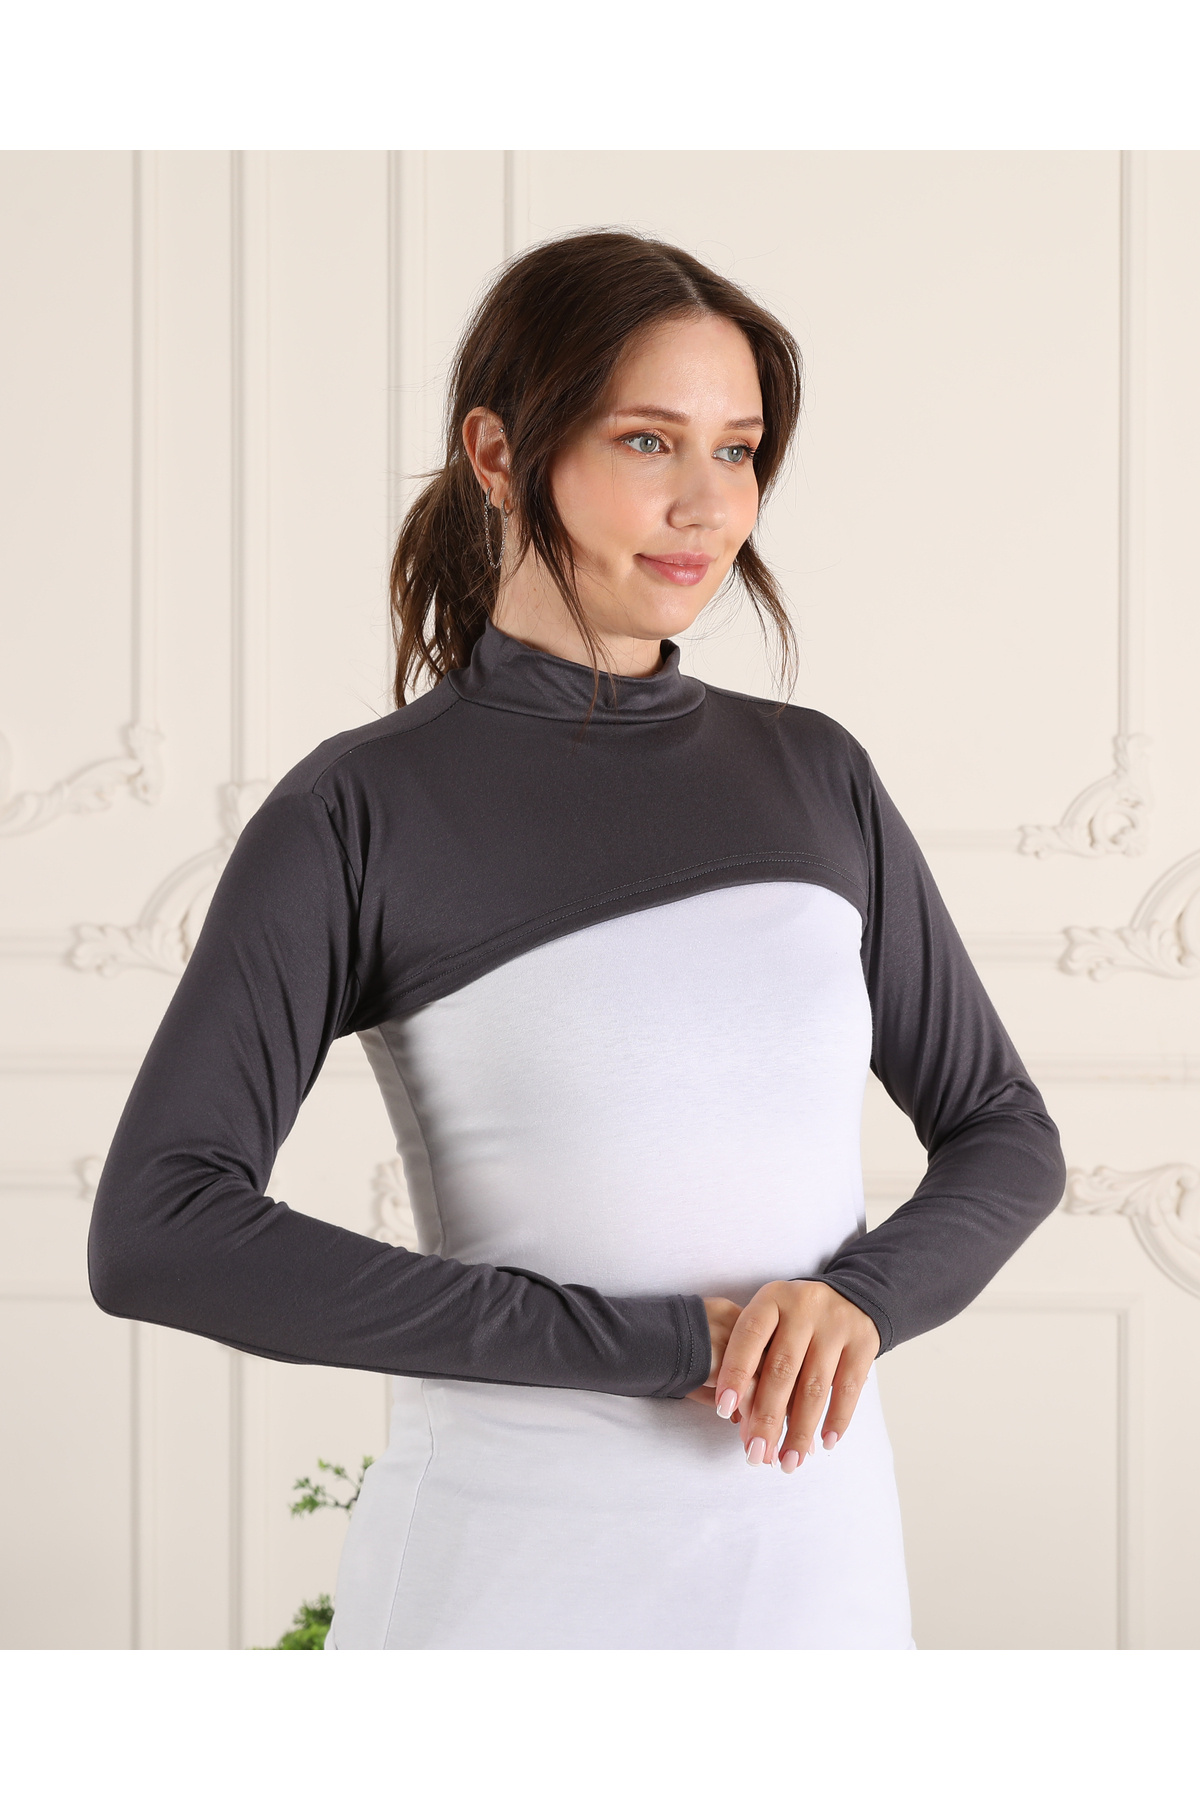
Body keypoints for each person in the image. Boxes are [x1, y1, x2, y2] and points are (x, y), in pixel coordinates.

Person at [87, 229, 1067, 1650]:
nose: (706, 505)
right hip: (503, 1581)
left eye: (738, 451)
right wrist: (656, 1341)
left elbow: (1004, 1129)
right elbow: (160, 1229)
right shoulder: (360, 810)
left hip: (820, 1572)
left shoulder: (816, 775)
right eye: (648, 440)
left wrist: (857, 1300)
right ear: (499, 454)